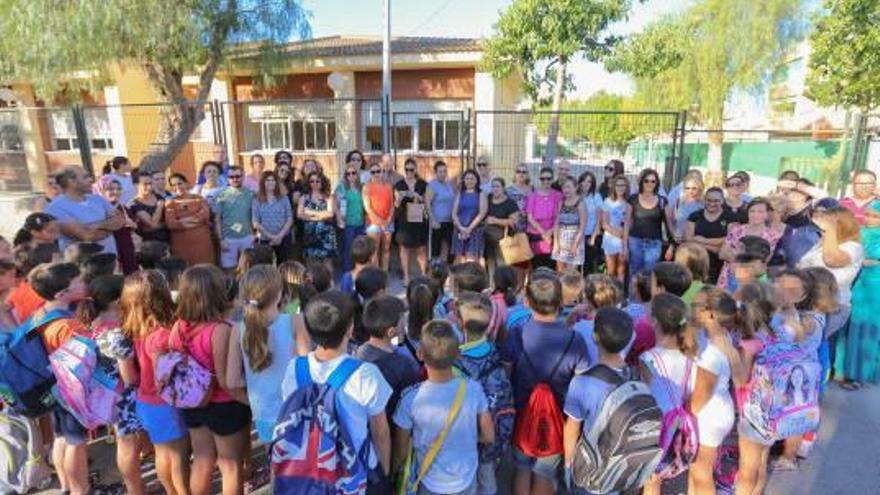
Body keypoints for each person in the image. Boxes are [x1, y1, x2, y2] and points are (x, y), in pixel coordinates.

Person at [280, 291, 393, 490]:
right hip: (355, 472)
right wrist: (383, 474)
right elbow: (380, 433)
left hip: (310, 474)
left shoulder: (294, 368)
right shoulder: (365, 373)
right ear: (350, 330)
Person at [501, 269, 589, 495]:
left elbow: (506, 373)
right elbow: (581, 383)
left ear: (527, 301)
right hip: (557, 416)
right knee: (545, 473)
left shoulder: (517, 332)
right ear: (560, 301)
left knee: (521, 468)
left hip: (521, 411)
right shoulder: (574, 338)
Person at [168, 265, 250, 495]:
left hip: (191, 402)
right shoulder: (221, 330)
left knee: (203, 460)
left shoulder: (178, 325)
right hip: (223, 405)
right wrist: (249, 401)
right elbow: (227, 382)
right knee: (230, 465)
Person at [392, 319, 494, 495]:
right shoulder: (473, 388)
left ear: (420, 354)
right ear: (457, 355)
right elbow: (489, 436)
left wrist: (392, 473)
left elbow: (400, 453)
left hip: (430, 482)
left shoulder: (410, 398)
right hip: (466, 479)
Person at [78, 275, 147, 495]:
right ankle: (135, 489)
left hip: (106, 394)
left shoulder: (91, 324)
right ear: (119, 301)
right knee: (127, 446)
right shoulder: (118, 333)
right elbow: (129, 378)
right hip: (124, 399)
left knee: (125, 442)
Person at [28, 263, 91, 495]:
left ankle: (65, 487)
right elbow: (82, 364)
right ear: (61, 294)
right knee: (77, 442)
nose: (85, 282)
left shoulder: (41, 313)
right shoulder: (68, 325)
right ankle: (80, 489)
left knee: (61, 437)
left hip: (53, 389)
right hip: (70, 392)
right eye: (79, 281)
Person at [562, 307, 635, 493]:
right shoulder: (634, 376)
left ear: (595, 338)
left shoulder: (583, 383)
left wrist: (569, 466)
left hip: (590, 468)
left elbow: (572, 428)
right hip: (619, 467)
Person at [795, 206, 865, 389]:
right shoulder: (821, 243)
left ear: (840, 224)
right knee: (809, 345)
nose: (821, 224)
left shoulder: (853, 247)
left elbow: (832, 260)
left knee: (814, 345)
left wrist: (830, 229)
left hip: (833, 306)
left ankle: (814, 389)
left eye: (827, 221)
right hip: (807, 302)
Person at [225, 266, 295, 446]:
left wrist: (254, 401)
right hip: (296, 409)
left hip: (264, 413)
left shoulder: (237, 330)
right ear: (279, 295)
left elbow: (232, 382)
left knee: (276, 466)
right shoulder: (296, 322)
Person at [452, 292, 514, 495]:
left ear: (461, 325)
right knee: (487, 479)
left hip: (469, 439)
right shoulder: (494, 350)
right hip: (493, 433)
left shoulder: (456, 361)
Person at [638, 294, 695, 495]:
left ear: (654, 321)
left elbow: (644, 397)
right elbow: (689, 393)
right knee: (661, 474)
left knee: (652, 479)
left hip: (655, 426)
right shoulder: (690, 356)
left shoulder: (648, 358)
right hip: (677, 423)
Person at [688, 286, 741, 495]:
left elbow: (701, 396)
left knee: (702, 470)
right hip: (718, 409)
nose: (693, 308)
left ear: (710, 314)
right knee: (697, 466)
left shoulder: (711, 353)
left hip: (708, 414)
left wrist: (688, 416)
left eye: (697, 306)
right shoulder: (723, 336)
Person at [356, 295, 420, 418]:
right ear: (391, 332)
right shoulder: (402, 365)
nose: (405, 326)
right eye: (403, 323)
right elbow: (411, 406)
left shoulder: (357, 352)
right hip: (393, 429)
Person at [839, 199, 880, 386]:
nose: (870, 219)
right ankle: (843, 371)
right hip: (855, 284)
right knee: (849, 328)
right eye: (868, 215)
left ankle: (862, 373)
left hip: (874, 288)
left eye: (875, 216)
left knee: (868, 329)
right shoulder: (858, 234)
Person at [46, 166, 124, 256]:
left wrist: (96, 225)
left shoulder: (97, 199)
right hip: (83, 266)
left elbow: (121, 220)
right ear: (71, 181)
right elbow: (86, 236)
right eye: (85, 177)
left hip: (110, 262)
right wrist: (110, 228)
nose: (91, 180)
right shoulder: (56, 207)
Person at [717, 198, 784, 290]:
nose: (756, 215)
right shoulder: (736, 230)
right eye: (752, 211)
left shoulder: (774, 236)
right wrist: (750, 258)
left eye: (760, 211)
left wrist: (736, 255)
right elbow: (722, 254)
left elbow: (766, 261)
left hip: (755, 282)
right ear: (747, 213)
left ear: (767, 214)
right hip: (729, 277)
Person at [624, 168, 674, 279]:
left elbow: (669, 224)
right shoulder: (633, 199)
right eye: (646, 180)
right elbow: (627, 224)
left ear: (657, 183)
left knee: (650, 275)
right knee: (634, 273)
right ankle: (633, 297)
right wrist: (625, 247)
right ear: (641, 181)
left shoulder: (662, 201)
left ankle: (648, 297)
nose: (649, 183)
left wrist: (672, 245)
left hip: (654, 243)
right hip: (635, 241)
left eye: (653, 181)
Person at [164, 173, 216, 266]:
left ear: (186, 183)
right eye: (174, 185)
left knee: (206, 269)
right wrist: (193, 221)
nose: (177, 187)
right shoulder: (170, 203)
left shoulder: (199, 198)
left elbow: (204, 215)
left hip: (202, 242)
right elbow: (171, 223)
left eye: (180, 183)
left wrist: (182, 221)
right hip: (181, 244)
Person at [685, 187, 734, 283]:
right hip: (696, 261)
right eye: (709, 200)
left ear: (722, 201)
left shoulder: (730, 217)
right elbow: (688, 239)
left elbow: (729, 239)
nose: (712, 203)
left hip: (719, 263)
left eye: (716, 201)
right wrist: (714, 248)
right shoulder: (694, 216)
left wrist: (702, 240)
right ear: (704, 199)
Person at [94, 175, 138, 274]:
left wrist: (133, 225)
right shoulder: (97, 210)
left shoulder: (124, 208)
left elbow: (135, 227)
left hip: (126, 248)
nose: (116, 192)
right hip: (108, 249)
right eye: (110, 189)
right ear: (101, 190)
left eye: (118, 189)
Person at [214, 166, 255, 273]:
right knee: (229, 270)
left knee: (249, 268)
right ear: (227, 178)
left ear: (243, 176)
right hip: (228, 239)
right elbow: (217, 219)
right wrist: (221, 240)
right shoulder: (221, 195)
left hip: (247, 237)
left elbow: (255, 215)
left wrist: (255, 234)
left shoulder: (251, 194)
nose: (235, 179)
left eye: (238, 176)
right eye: (231, 177)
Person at [395, 158, 429, 282]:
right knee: (404, 248)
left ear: (415, 170)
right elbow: (396, 204)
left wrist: (418, 197)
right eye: (407, 169)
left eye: (411, 169)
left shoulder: (423, 184)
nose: (409, 172)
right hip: (404, 220)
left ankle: (424, 275)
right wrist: (400, 198)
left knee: (421, 249)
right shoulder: (399, 185)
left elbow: (427, 202)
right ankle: (406, 276)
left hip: (419, 220)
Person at [525, 167, 563, 269]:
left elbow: (559, 215)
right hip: (536, 234)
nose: (546, 181)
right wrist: (543, 233)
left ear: (552, 179)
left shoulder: (558, 195)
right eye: (543, 179)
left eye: (548, 178)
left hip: (553, 234)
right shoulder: (532, 195)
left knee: (551, 266)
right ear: (539, 179)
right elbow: (530, 217)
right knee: (537, 266)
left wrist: (550, 232)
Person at [252, 170, 293, 263]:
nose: (271, 182)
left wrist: (279, 236)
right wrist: (271, 237)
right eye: (267, 180)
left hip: (283, 239)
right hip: (265, 240)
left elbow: (289, 218)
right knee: (267, 268)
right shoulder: (257, 199)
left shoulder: (284, 198)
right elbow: (255, 222)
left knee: (283, 266)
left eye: (273, 180)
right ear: (263, 183)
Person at [298, 171, 336, 269]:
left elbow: (330, 214)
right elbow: (300, 214)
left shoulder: (328, 197)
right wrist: (320, 216)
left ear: (322, 182)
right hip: (310, 235)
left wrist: (310, 212)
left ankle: (329, 284)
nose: (314, 183)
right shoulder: (304, 197)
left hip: (326, 235)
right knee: (311, 264)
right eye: (312, 181)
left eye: (317, 181)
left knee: (328, 263)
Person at [484, 177, 520, 276]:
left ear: (503, 188)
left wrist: (495, 220)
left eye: (498, 186)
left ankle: (502, 287)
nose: (495, 189)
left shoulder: (510, 203)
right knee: (490, 262)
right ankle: (491, 285)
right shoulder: (488, 198)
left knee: (502, 265)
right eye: (493, 186)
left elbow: (514, 222)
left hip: (503, 239)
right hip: (488, 237)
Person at [335, 161, 366, 272]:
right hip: (348, 224)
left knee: (361, 249)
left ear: (357, 174)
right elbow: (336, 205)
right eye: (348, 174)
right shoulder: (342, 188)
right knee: (348, 250)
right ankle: (347, 274)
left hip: (361, 223)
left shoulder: (362, 187)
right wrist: (339, 218)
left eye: (353, 173)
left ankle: (359, 272)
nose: (351, 176)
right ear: (345, 175)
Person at [363, 162, 395, 271]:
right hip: (373, 223)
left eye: (378, 171)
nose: (376, 174)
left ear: (382, 172)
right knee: (374, 250)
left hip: (388, 222)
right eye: (373, 172)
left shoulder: (388, 186)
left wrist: (389, 219)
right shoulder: (367, 187)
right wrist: (381, 223)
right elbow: (368, 209)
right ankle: (376, 277)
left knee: (386, 249)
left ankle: (384, 275)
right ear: (370, 173)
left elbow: (392, 204)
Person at [552, 176, 587, 272]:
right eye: (564, 187)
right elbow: (557, 224)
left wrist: (575, 245)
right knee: (560, 272)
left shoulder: (580, 203)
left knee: (570, 274)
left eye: (568, 187)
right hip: (561, 241)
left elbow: (582, 226)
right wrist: (556, 243)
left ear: (576, 188)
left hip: (575, 241)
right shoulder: (561, 203)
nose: (566, 190)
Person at [452, 170, 488, 264]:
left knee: (472, 260)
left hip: (475, 231)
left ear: (477, 180)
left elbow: (482, 214)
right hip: (460, 230)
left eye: (472, 178)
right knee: (459, 259)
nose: (469, 181)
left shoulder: (481, 194)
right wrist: (460, 227)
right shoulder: (460, 193)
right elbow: (454, 213)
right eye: (467, 178)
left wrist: (469, 229)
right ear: (464, 180)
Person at [601, 175, 631, 285]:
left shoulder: (628, 205)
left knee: (621, 271)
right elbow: (604, 224)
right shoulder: (607, 202)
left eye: (623, 185)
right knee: (610, 271)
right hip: (610, 239)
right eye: (618, 185)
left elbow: (627, 225)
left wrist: (625, 245)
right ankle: (610, 296)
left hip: (622, 242)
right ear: (614, 187)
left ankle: (620, 296)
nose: (620, 188)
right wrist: (618, 234)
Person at [426, 160, 456, 263]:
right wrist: (432, 220)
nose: (443, 174)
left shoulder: (448, 184)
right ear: (436, 172)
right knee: (436, 249)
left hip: (449, 222)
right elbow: (427, 204)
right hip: (437, 222)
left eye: (444, 171)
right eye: (440, 171)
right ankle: (435, 271)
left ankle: (448, 268)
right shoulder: (432, 185)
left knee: (453, 246)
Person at [129, 171, 171, 244]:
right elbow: (153, 225)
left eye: (150, 183)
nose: (149, 187)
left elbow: (171, 217)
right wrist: (159, 206)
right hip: (150, 246)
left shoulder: (159, 197)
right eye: (145, 184)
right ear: (136, 185)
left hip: (169, 240)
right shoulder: (134, 204)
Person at [578, 171, 603, 275]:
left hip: (590, 236)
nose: (586, 184)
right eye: (584, 181)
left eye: (589, 182)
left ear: (592, 184)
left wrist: (593, 237)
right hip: (577, 235)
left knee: (589, 266)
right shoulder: (576, 196)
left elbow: (599, 219)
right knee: (577, 266)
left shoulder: (596, 196)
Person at [671, 173, 704, 244]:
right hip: (678, 240)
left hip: (695, 242)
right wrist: (674, 234)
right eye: (687, 188)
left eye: (694, 188)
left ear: (699, 189)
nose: (690, 191)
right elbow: (672, 221)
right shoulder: (679, 201)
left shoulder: (703, 204)